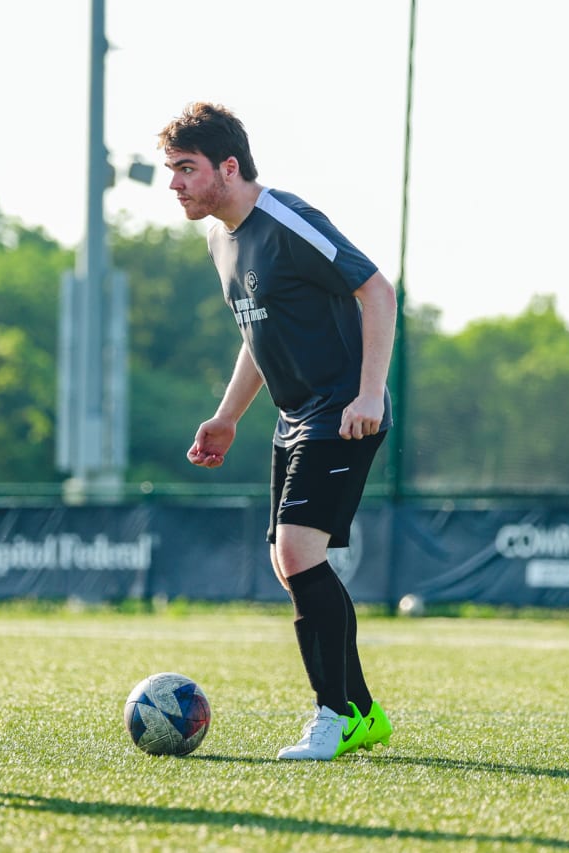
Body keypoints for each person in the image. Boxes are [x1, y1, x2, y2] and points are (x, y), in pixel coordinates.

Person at [158, 102, 397, 761]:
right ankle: (363, 713)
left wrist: (369, 391)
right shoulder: (218, 237)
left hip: (344, 409)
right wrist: (228, 415)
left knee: (296, 550)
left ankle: (336, 713)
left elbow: (377, 290)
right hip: (294, 417)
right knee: (288, 559)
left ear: (227, 168)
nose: (174, 183)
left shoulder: (286, 219)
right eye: (171, 170)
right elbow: (255, 330)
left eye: (186, 169)